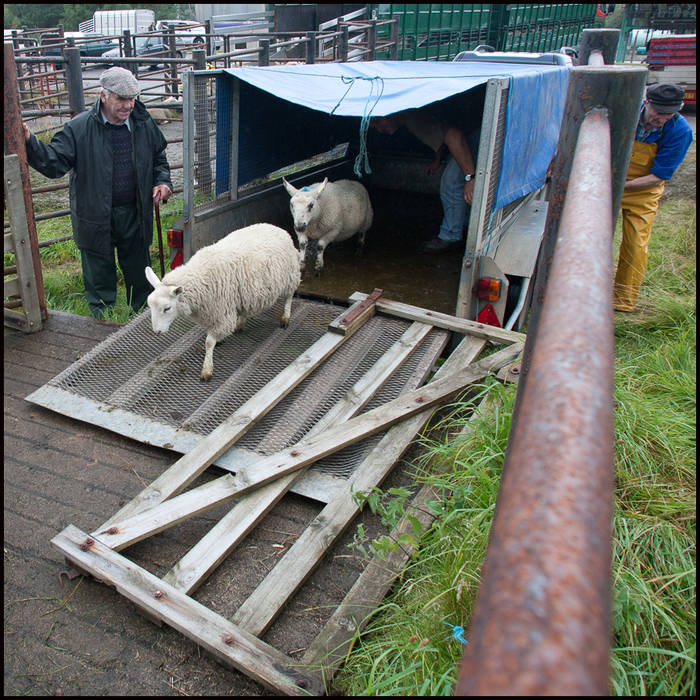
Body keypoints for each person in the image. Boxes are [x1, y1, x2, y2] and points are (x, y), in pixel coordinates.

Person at [24, 66, 173, 318]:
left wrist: (163, 182)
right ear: (103, 96)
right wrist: (29, 140)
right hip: (95, 215)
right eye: (121, 99)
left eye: (132, 99)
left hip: (135, 212)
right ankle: (102, 325)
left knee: (139, 271)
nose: (128, 105)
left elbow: (158, 156)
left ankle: (144, 320)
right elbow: (53, 163)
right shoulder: (78, 128)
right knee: (99, 275)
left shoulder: (143, 123)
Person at [613, 82, 693, 312]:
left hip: (642, 190)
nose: (662, 119)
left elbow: (659, 176)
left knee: (636, 242)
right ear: (646, 103)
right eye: (659, 113)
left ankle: (623, 299)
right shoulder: (625, 113)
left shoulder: (680, 131)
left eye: (669, 115)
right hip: (609, 181)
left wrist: (622, 186)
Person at [370, 109, 479, 253]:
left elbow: (455, 136)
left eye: (378, 120)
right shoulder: (410, 117)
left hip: (475, 135)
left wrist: (470, 177)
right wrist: (437, 159)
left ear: (391, 112)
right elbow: (441, 136)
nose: (378, 128)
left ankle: (450, 236)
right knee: (453, 181)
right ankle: (464, 225)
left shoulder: (414, 118)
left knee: (451, 183)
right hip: (468, 135)